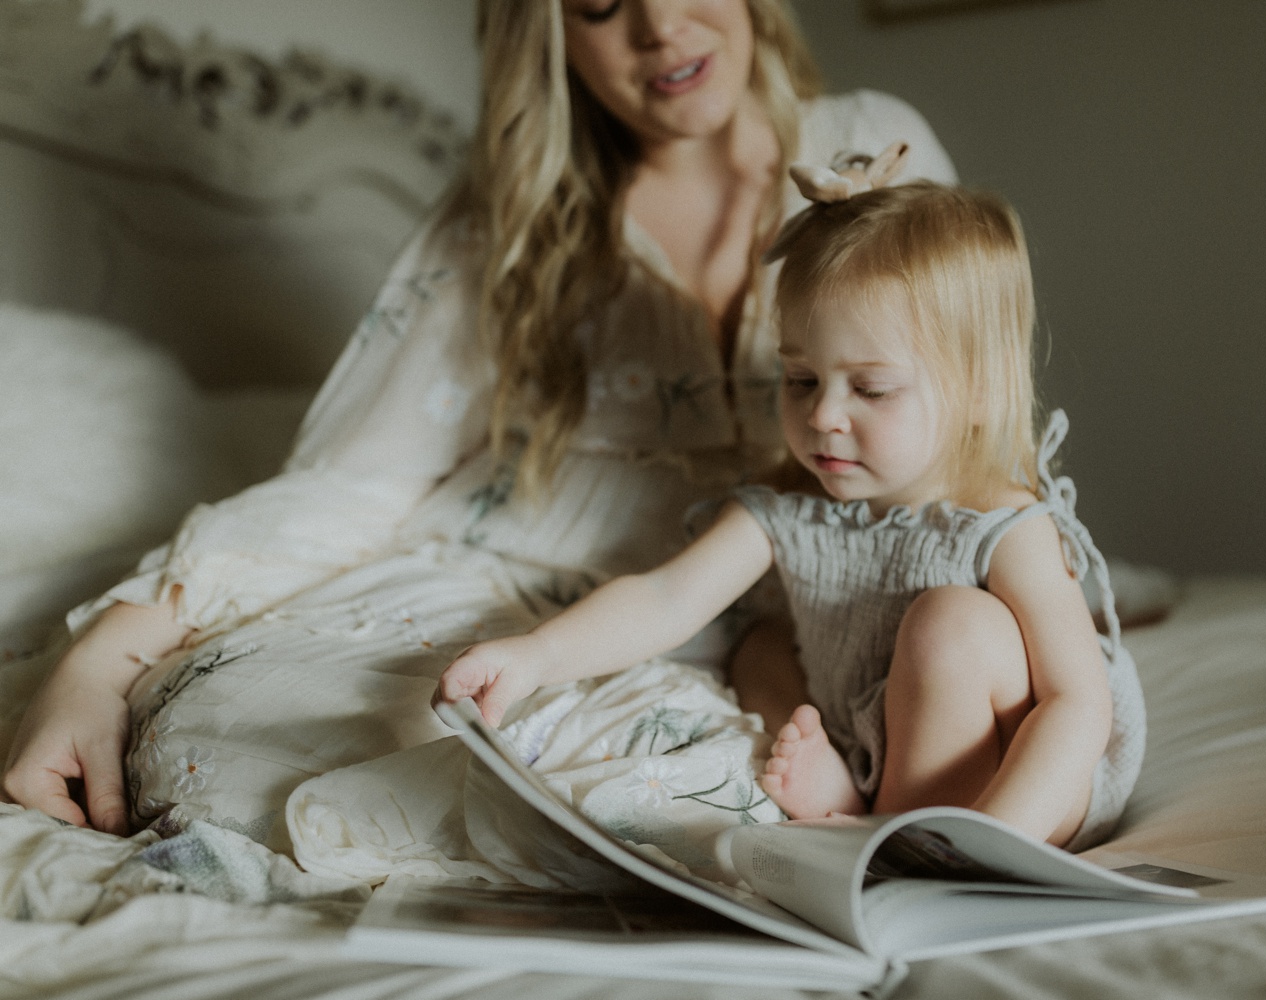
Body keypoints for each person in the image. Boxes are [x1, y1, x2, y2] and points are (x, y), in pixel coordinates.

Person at [0, 0, 957, 855]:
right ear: (547, 34)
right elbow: (353, 485)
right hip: (519, 585)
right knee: (228, 730)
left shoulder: (877, 146)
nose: (659, 26)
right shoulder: (514, 213)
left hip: (806, 617)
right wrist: (98, 660)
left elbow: (960, 404)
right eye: (597, 4)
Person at [436, 165, 1145, 849]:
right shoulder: (790, 508)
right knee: (759, 643)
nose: (824, 415)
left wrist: (1001, 837)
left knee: (950, 622)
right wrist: (535, 657)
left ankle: (898, 841)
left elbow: (1076, 705)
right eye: (801, 378)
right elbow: (664, 599)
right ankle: (861, 799)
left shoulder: (1004, 525)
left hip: (1021, 784)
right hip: (877, 741)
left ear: (979, 394)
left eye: (869, 390)